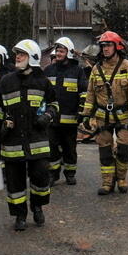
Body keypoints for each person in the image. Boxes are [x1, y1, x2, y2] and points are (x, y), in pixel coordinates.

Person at [0, 40, 58, 231]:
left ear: (32, 58)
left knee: (41, 177)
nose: (17, 57)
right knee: (15, 183)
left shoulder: (42, 82)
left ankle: (38, 207)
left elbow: (54, 105)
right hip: (12, 143)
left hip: (37, 141)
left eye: (22, 54)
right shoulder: (7, 82)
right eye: (17, 54)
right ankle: (20, 215)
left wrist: (47, 116)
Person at [81, 31, 128, 195]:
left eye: (108, 45)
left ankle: (121, 178)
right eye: (103, 46)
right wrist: (86, 114)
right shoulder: (96, 69)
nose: (105, 49)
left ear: (117, 47)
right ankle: (107, 183)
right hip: (102, 116)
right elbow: (90, 94)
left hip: (124, 115)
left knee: (124, 148)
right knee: (105, 150)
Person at [43, 37, 88, 186]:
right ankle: (53, 174)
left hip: (70, 120)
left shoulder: (78, 71)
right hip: (52, 119)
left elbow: (83, 92)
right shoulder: (49, 70)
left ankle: (70, 173)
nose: (58, 54)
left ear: (68, 53)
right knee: (51, 147)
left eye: (61, 51)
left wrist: (82, 111)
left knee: (70, 148)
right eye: (57, 51)